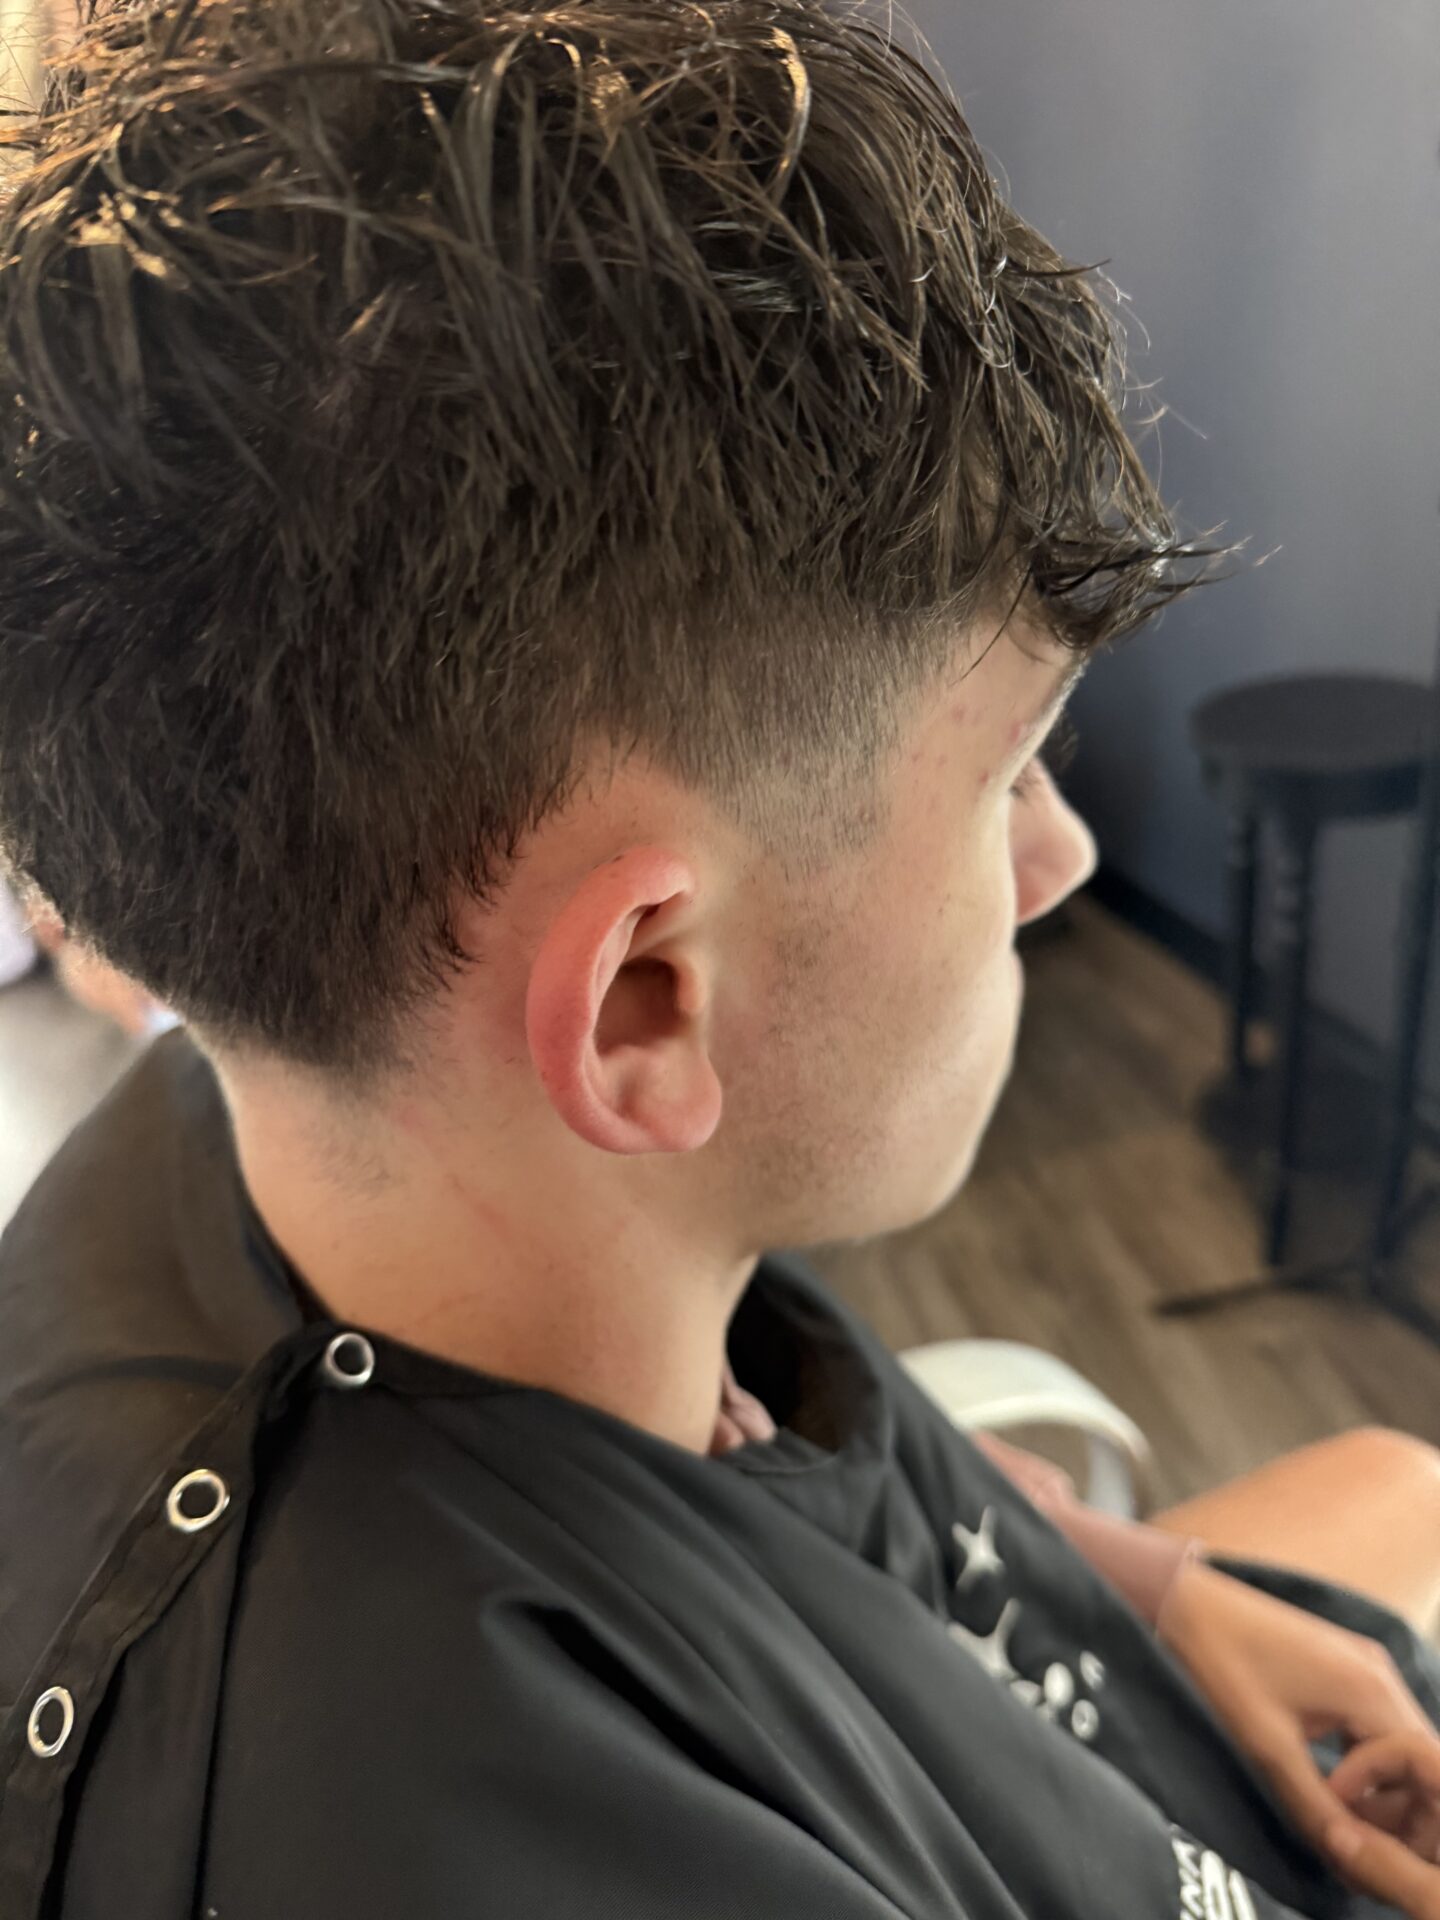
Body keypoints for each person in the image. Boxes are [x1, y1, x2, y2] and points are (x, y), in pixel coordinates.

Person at [2, 2, 1439, 1915]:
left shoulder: (307, 1133)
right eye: (1009, 772)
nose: (1062, 858)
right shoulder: (487, 1829)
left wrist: (1160, 1594)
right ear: (644, 999)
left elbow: (817, 1490)